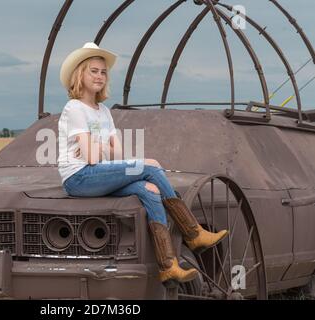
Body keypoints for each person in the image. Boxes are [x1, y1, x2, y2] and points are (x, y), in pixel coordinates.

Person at [57, 42, 228, 287]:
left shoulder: (102, 111)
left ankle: (168, 266)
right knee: (150, 167)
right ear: (79, 74)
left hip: (97, 174)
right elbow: (93, 159)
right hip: (80, 178)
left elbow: (119, 154)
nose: (99, 76)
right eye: (93, 71)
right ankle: (192, 232)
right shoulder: (75, 109)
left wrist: (97, 145)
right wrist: (102, 148)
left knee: (149, 190)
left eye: (103, 72)